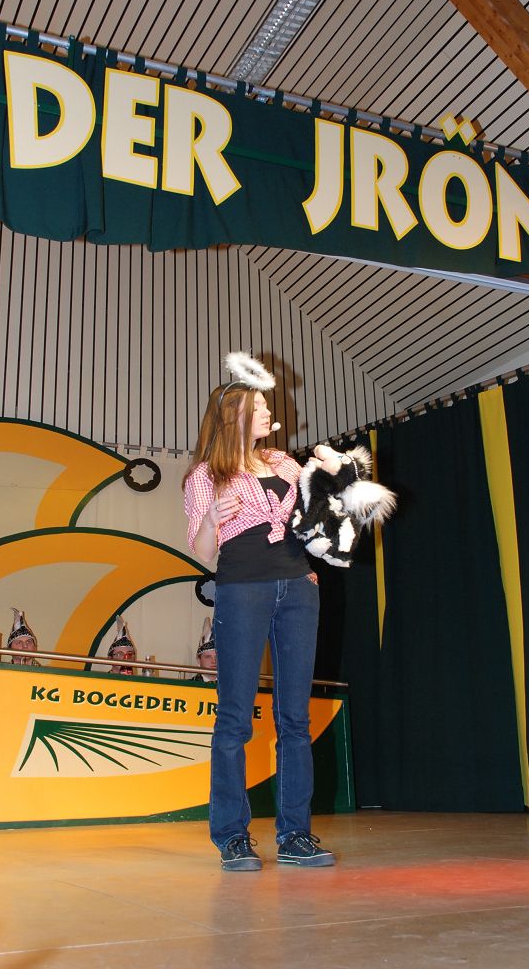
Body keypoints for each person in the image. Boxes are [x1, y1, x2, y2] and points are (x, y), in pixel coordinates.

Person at [183, 353, 335, 872]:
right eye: (262, 407)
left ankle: (295, 834)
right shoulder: (206, 475)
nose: (271, 413)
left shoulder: (285, 463)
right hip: (241, 590)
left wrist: (334, 483)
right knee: (234, 717)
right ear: (235, 417)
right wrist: (211, 519)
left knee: (295, 717)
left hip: (297, 588)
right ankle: (231, 836)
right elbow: (203, 553)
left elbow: (314, 520)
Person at [191, 616, 217, 682]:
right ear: (199, 660)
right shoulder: (185, 686)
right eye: (208, 657)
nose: (214, 661)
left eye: (217, 657)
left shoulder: (233, 686)